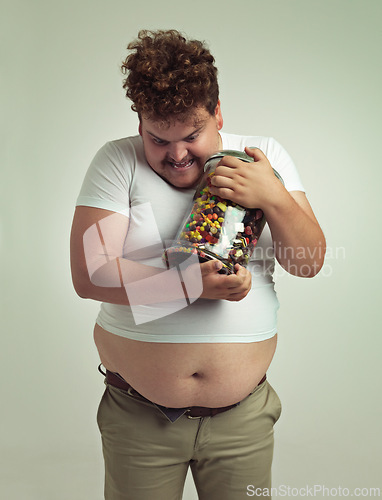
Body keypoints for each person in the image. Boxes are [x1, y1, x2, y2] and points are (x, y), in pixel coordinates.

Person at [70, 29, 326, 500]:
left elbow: (307, 263)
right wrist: (186, 284)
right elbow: (90, 275)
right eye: (158, 139)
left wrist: (272, 197)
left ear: (218, 113)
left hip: (242, 417)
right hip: (139, 416)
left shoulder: (261, 156)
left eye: (192, 135)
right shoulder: (118, 160)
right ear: (139, 121)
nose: (178, 155)